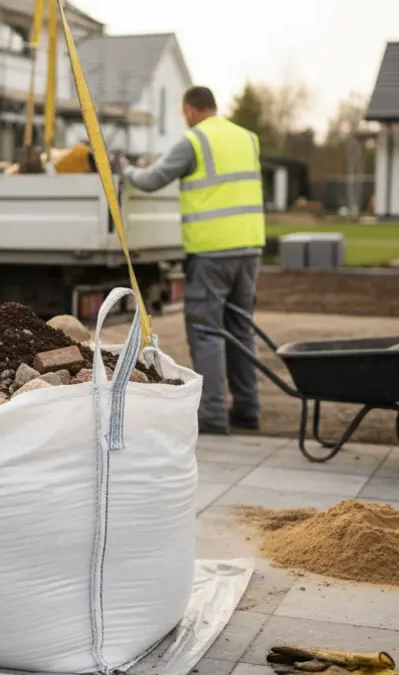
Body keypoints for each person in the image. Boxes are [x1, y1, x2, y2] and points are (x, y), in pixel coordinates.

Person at [121, 85, 265, 435]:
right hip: (249, 247)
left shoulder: (195, 141)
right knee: (241, 329)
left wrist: (125, 170)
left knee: (207, 332)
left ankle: (213, 415)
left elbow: (153, 179)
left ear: (189, 109)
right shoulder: (248, 138)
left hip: (211, 251)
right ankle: (248, 410)